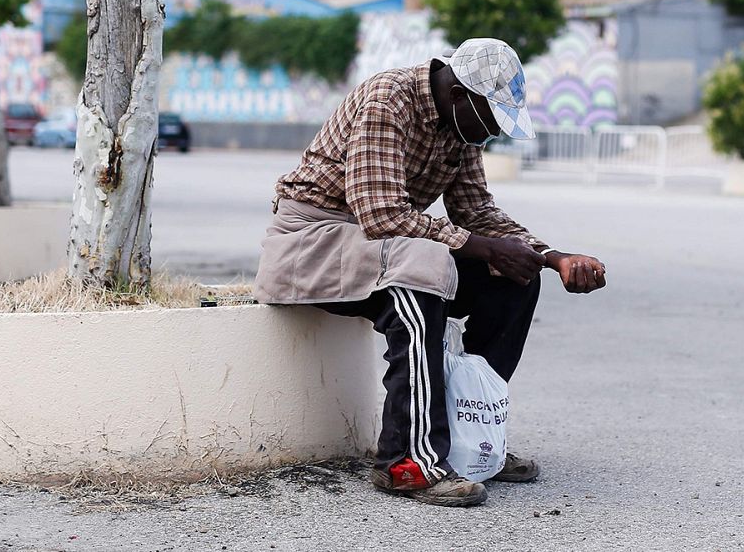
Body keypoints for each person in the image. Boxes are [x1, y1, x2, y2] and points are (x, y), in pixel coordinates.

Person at [254, 37, 608, 507]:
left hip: (376, 246)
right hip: (311, 242)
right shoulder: (388, 100)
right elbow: (380, 215)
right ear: (460, 93)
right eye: (490, 119)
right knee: (423, 263)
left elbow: (478, 214)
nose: (491, 134)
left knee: (513, 279)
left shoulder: (461, 127)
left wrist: (551, 256)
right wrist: (484, 248)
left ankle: (472, 443)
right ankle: (407, 463)